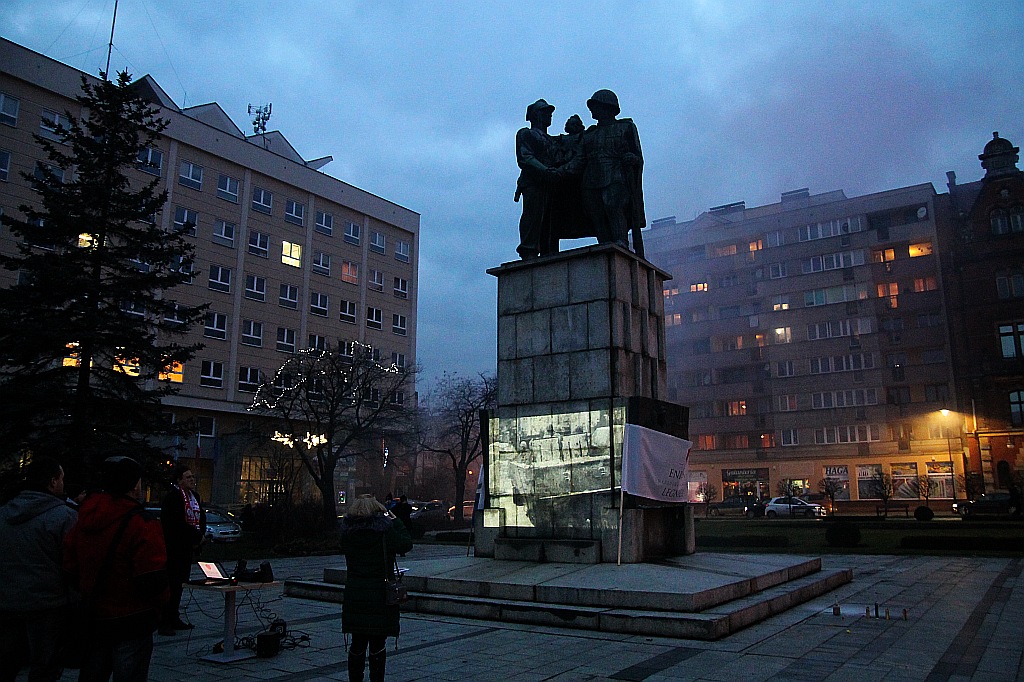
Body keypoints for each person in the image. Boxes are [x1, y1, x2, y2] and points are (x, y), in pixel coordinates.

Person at [64, 456, 168, 682]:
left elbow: (70, 566)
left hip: (96, 613)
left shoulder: (85, 518)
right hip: (133, 617)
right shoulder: (141, 522)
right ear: (135, 485)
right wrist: (159, 607)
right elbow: (152, 576)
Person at [0, 457, 78, 682]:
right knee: (44, 666)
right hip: (47, 604)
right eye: (62, 478)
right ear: (53, 481)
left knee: (7, 662)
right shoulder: (64, 516)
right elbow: (73, 564)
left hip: (8, 601)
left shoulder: (4, 513)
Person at [339, 495, 412, 682]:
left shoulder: (347, 533)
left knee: (357, 643)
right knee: (378, 643)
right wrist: (395, 521)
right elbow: (406, 543)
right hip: (380, 594)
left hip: (355, 593)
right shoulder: (385, 532)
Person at [578, 89, 646, 258]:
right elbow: (579, 159)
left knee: (613, 206)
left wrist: (633, 158)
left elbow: (637, 155)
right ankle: (604, 243)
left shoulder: (625, 127)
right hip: (591, 179)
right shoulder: (589, 135)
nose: (592, 110)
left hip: (616, 176)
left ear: (607, 107)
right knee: (596, 214)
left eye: (596, 106)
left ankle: (620, 241)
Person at [158, 465, 205, 635]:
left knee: (180, 584)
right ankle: (164, 620)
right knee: (171, 583)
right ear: (179, 481)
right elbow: (174, 523)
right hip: (174, 548)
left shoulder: (195, 497)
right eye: (187, 477)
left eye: (193, 477)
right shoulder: (174, 498)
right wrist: (192, 535)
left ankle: (174, 616)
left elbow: (200, 519)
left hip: (188, 548)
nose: (192, 480)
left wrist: (199, 537)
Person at [515, 98, 561, 259]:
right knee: (532, 216)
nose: (549, 116)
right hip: (533, 182)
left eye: (549, 113)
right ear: (534, 115)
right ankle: (528, 250)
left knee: (550, 220)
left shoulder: (553, 140)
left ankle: (548, 250)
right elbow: (525, 157)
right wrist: (545, 170)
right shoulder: (526, 134)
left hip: (550, 184)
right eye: (545, 112)